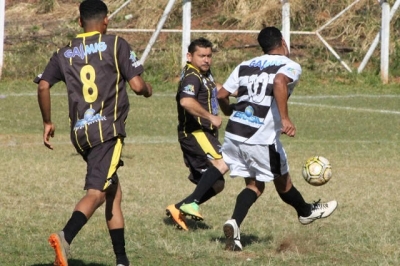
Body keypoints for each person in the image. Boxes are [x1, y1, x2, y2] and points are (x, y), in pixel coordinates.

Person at [34, 1, 152, 265]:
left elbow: (43, 86)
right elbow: (136, 84)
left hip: (81, 134)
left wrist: (47, 122)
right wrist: (148, 89)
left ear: (79, 22)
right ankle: (65, 237)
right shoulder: (116, 44)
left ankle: (122, 260)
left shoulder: (62, 53)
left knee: (113, 192)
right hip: (107, 132)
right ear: (106, 20)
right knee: (96, 193)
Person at [217, 26, 337, 251]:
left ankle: (234, 224)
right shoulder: (290, 65)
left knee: (254, 185)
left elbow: (222, 94)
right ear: (283, 41)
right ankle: (306, 212)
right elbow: (280, 81)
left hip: (235, 133)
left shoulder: (245, 65)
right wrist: (285, 119)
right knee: (283, 183)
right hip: (260, 137)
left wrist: (226, 111)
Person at [165, 37, 229, 231]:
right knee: (223, 163)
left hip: (203, 134)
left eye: (209, 56)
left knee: (217, 184)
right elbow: (186, 101)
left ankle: (178, 209)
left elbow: (213, 86)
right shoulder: (192, 77)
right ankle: (190, 204)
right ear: (189, 56)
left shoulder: (203, 73)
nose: (206, 60)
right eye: (201, 56)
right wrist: (211, 116)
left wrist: (232, 90)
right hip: (195, 132)